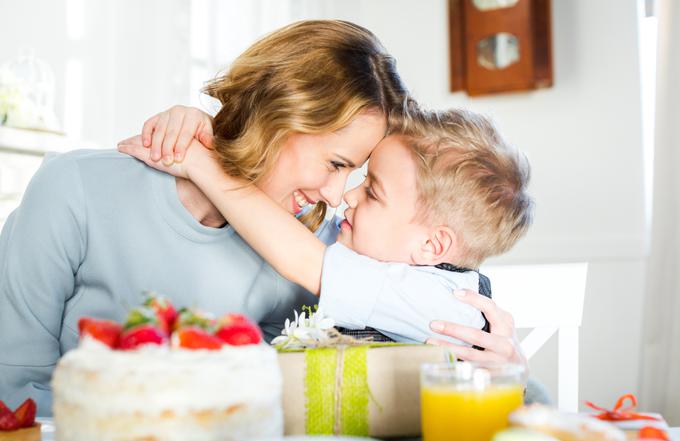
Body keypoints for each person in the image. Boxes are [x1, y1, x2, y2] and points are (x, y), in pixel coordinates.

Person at [0, 20, 408, 416]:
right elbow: (15, 392)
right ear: (279, 116)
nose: (336, 196)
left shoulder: (309, 248)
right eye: (336, 164)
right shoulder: (75, 188)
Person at [119, 105, 534, 345]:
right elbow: (281, 213)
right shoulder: (379, 252)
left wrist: (201, 164)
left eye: (372, 192)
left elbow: (299, 256)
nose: (346, 196)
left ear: (432, 246)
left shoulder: (432, 300)